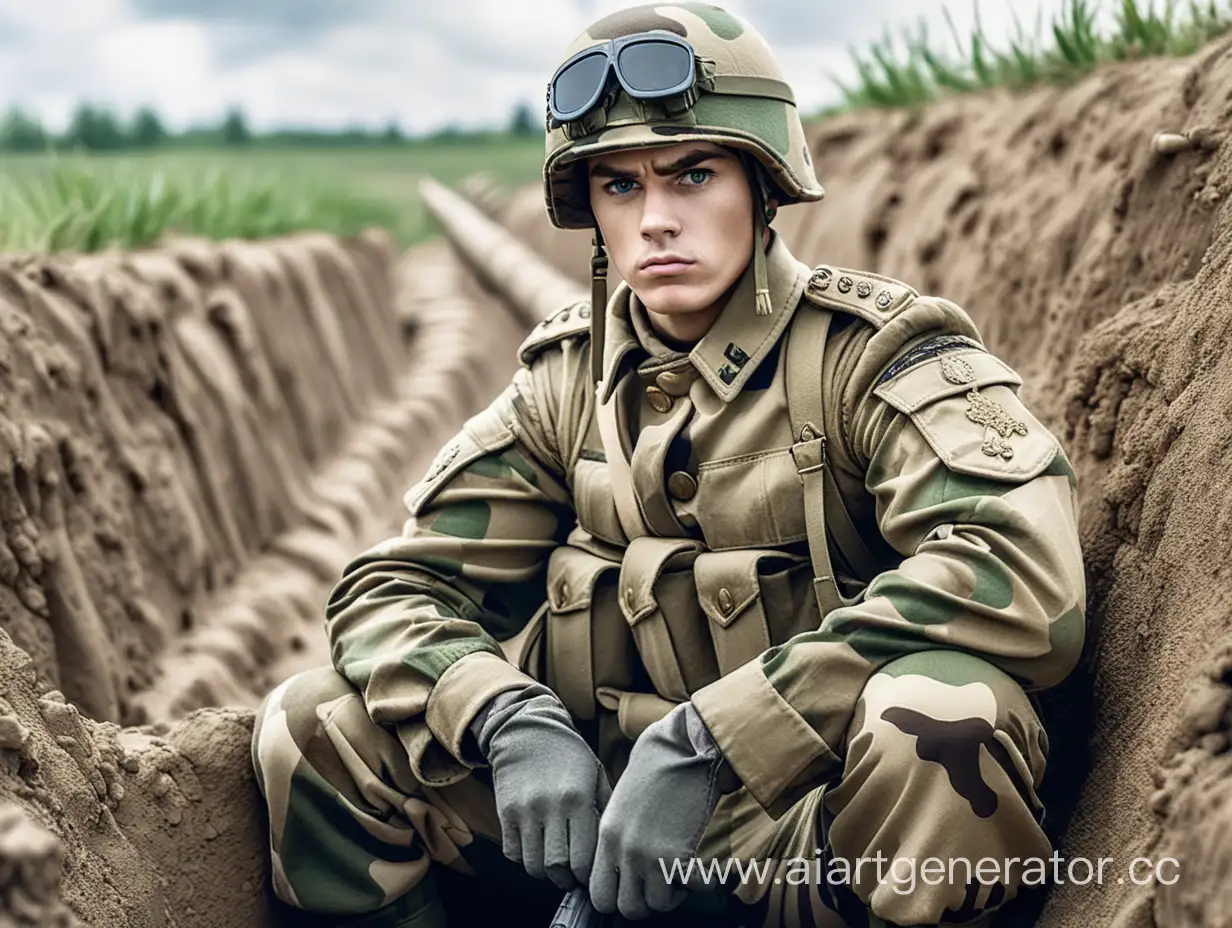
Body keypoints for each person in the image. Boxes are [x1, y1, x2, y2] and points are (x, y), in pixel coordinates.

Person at [250, 4, 1087, 927]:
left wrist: (716, 740)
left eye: (693, 174)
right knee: (312, 724)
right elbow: (389, 590)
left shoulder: (873, 356)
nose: (655, 221)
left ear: (762, 185)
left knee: (941, 719)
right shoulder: (565, 383)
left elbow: (1020, 569)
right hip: (598, 832)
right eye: (618, 186)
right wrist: (509, 721)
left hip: (804, 833)